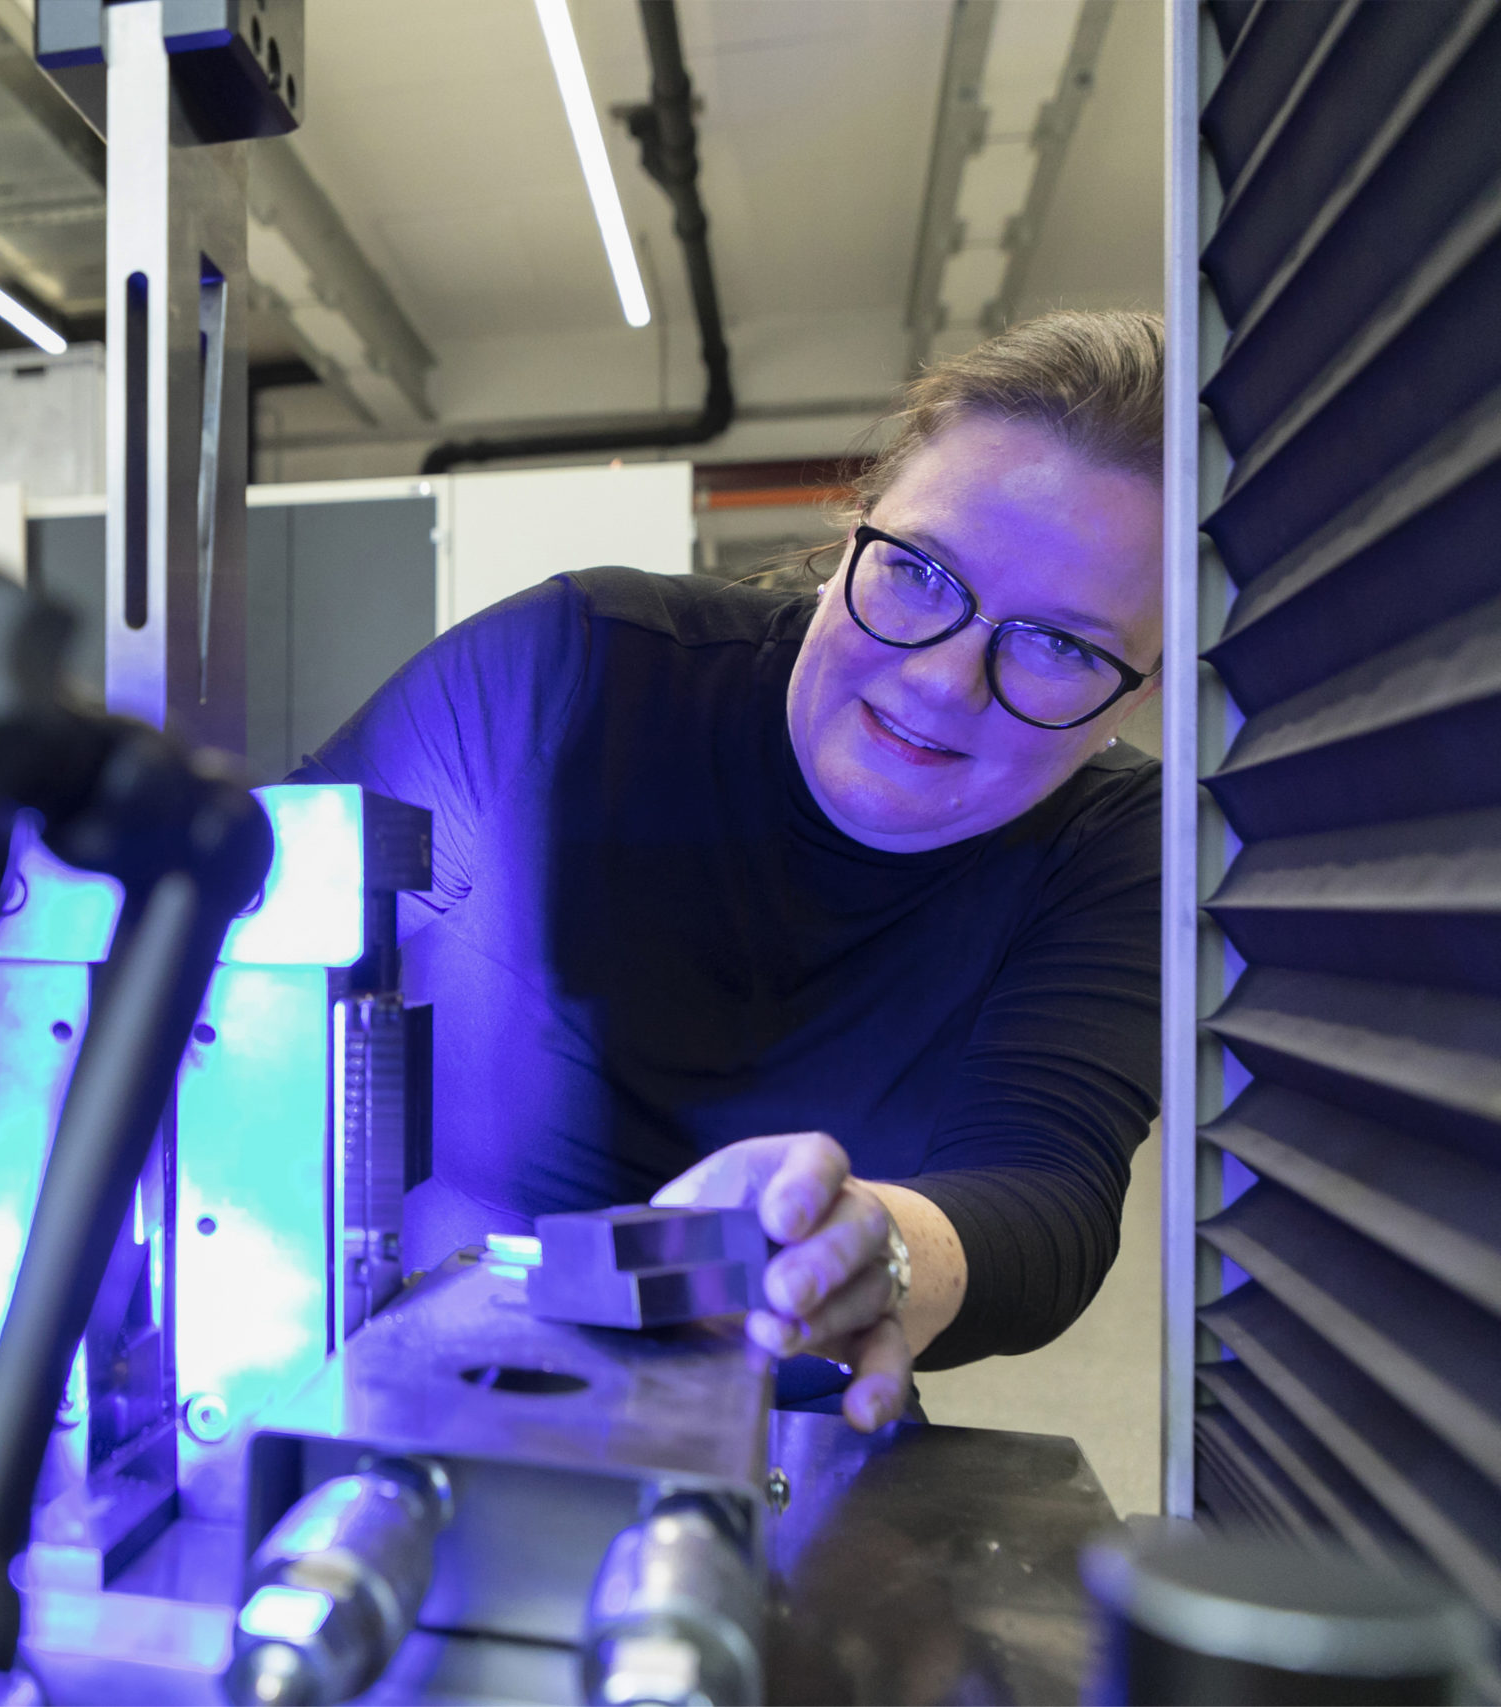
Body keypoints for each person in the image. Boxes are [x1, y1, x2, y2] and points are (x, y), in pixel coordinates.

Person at [294, 311, 1164, 1431]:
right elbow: (244, 940)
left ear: (1134, 694)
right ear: (852, 529)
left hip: (778, 1456)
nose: (945, 683)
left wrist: (869, 1242)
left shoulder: (1105, 847)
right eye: (919, 573)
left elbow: (1046, 1192)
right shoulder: (572, 674)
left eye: (1060, 645)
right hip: (395, 1399)